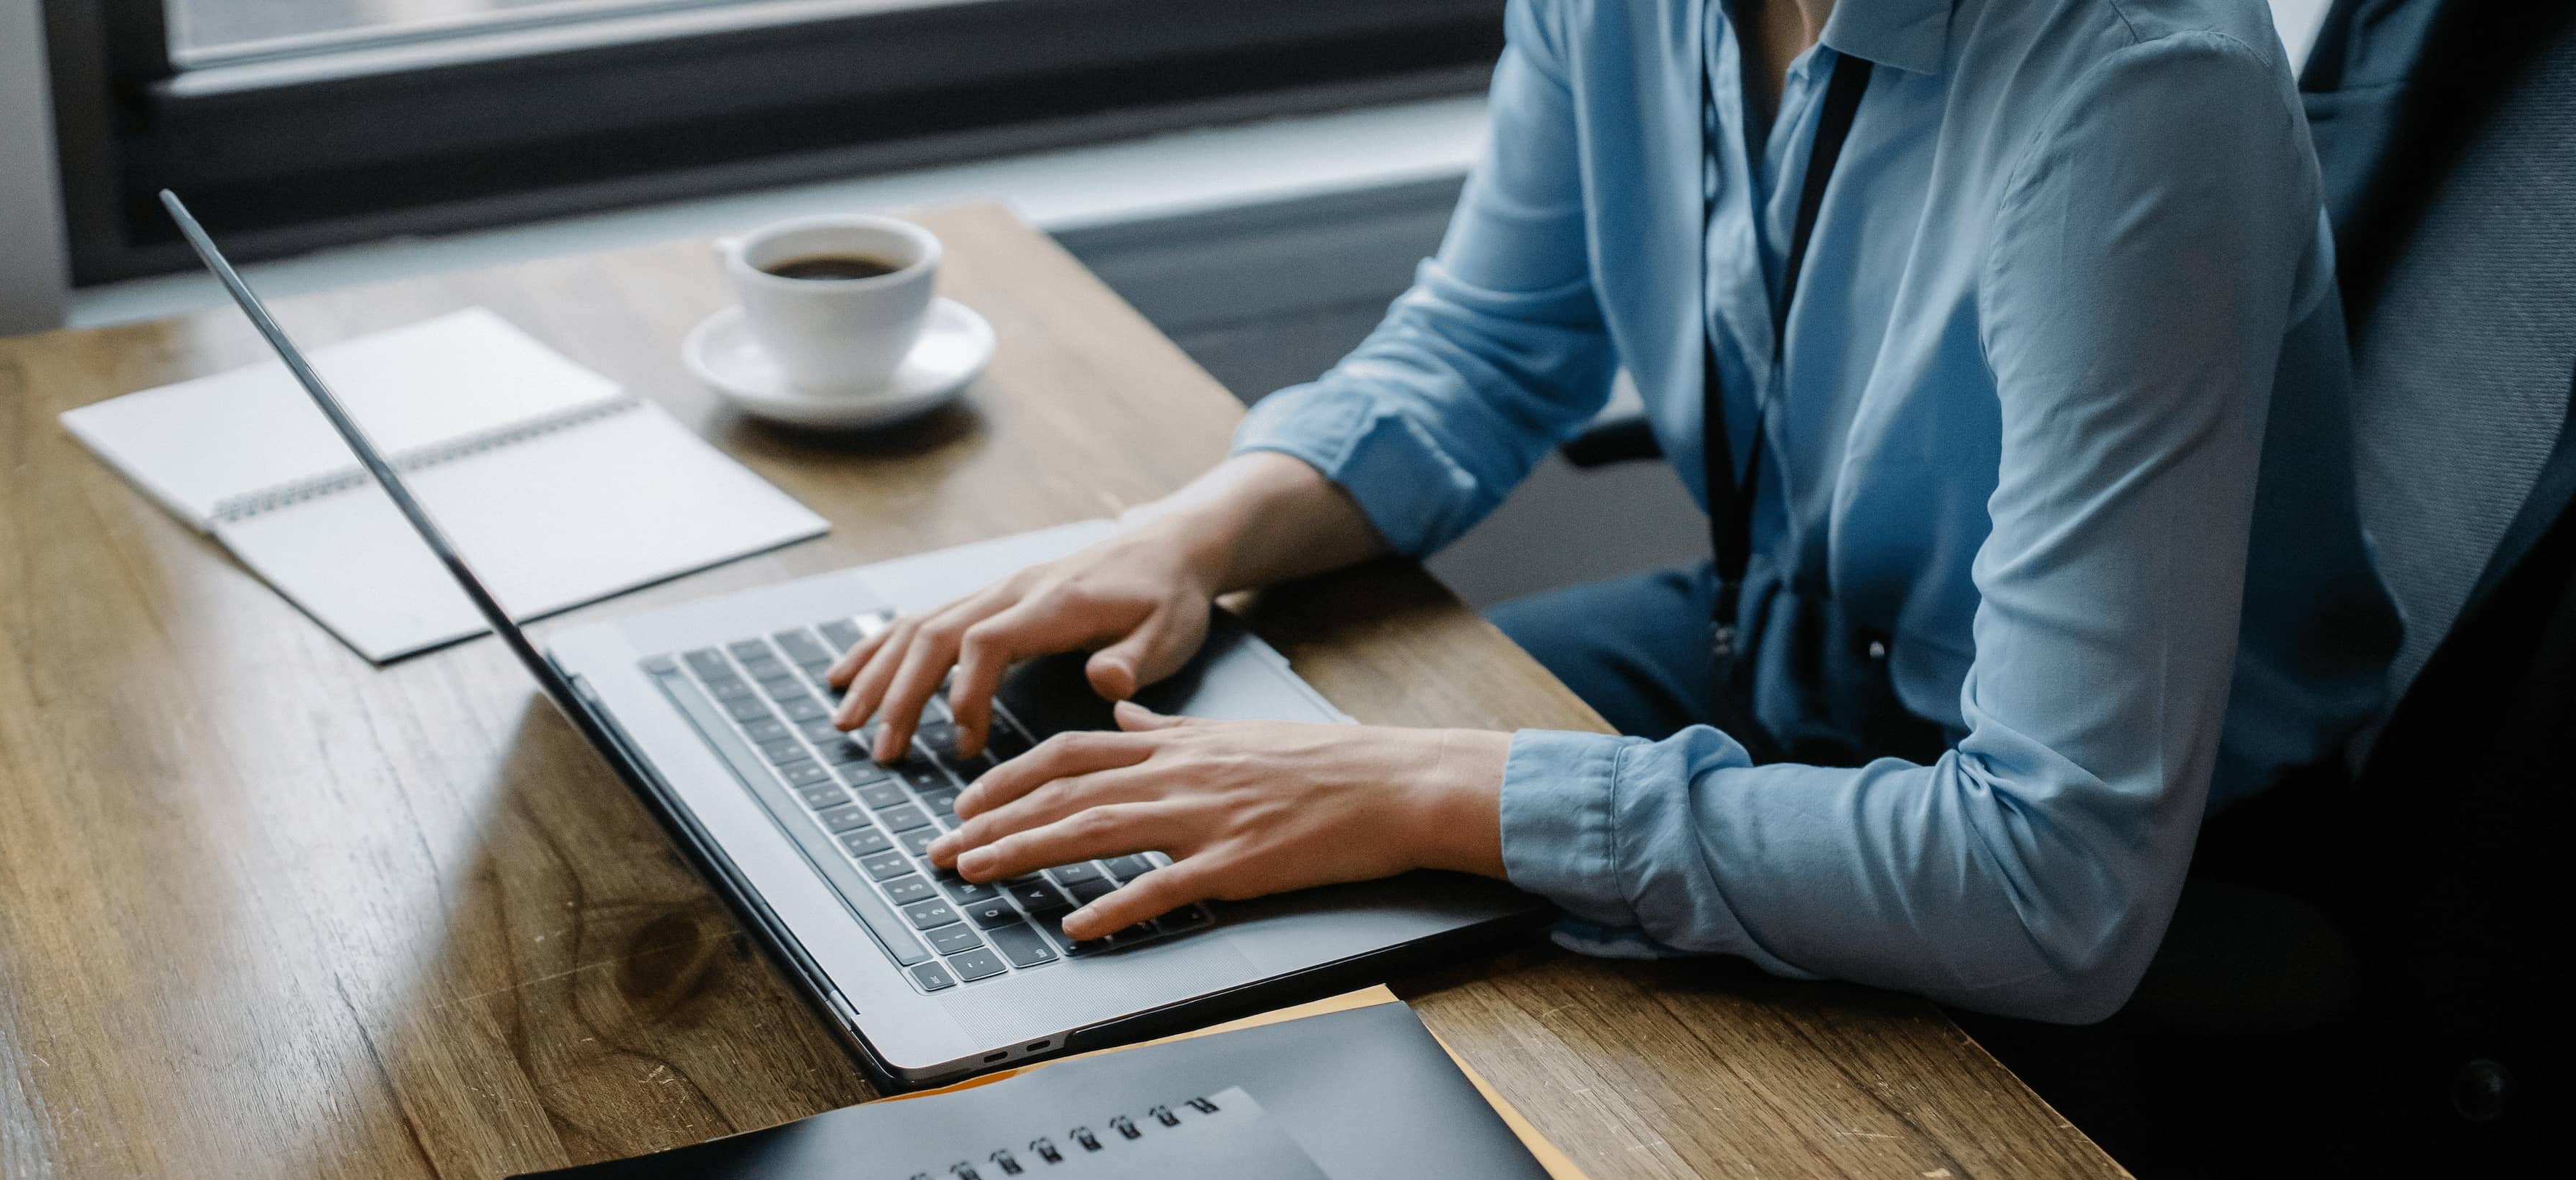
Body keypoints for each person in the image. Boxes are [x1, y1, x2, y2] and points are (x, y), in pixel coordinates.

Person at [826, 0, 2398, 1024]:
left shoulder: (2136, 88)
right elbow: (1493, 344)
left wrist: (1441, 790)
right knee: (1139, 871)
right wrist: (1195, 533)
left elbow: (2054, 879)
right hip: (1779, 665)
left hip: (2106, 865)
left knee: (1382, 994)